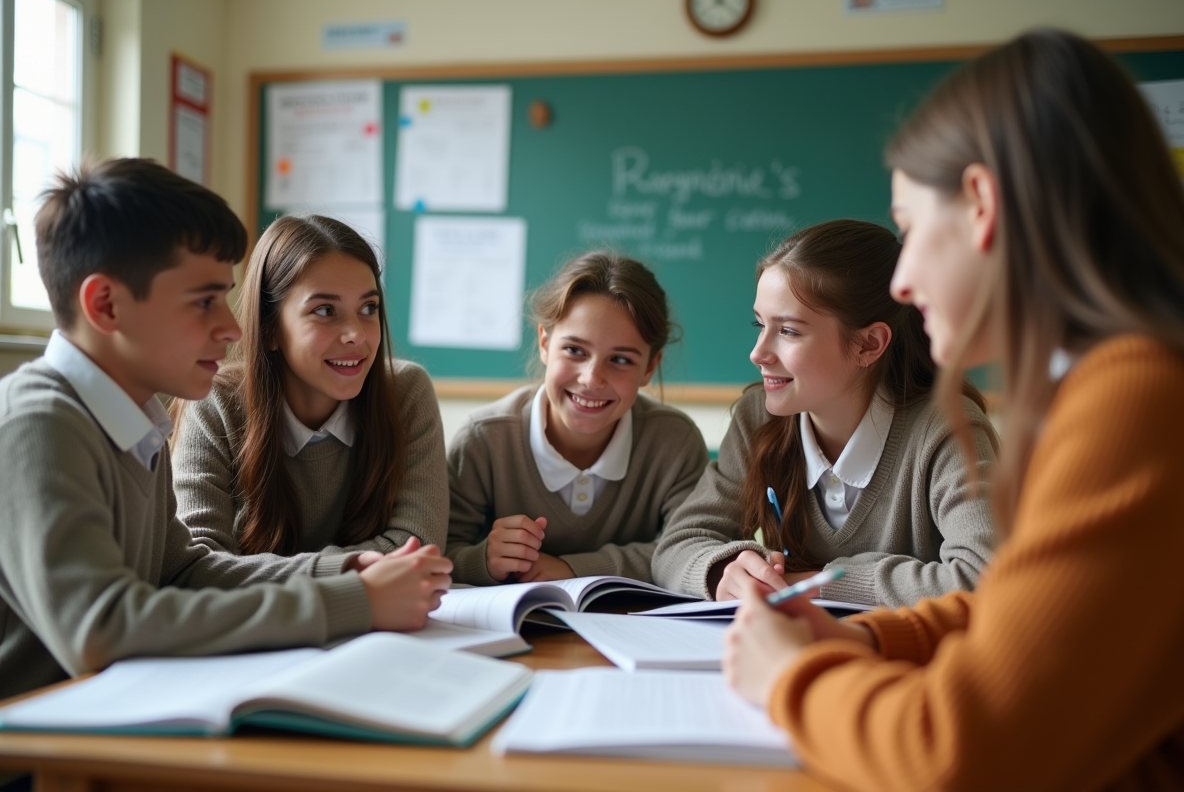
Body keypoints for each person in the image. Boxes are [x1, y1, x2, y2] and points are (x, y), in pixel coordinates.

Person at [723, 30, 1184, 791]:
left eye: (909, 230)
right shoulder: (1115, 383)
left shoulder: (1135, 401)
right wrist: (877, 642)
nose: (904, 281)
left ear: (981, 203)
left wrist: (790, 680)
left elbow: (955, 754)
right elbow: (1032, 617)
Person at [0, 159, 450, 701]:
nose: (233, 327)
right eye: (204, 301)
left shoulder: (133, 421)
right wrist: (351, 602)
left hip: (109, 719)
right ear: (106, 304)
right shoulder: (38, 422)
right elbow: (100, 628)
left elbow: (185, 569)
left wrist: (344, 569)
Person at [652, 219, 997, 607]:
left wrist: (820, 582)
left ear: (869, 344)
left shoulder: (946, 427)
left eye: (788, 331)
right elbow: (675, 546)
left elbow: (986, 578)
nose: (757, 353)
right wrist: (721, 572)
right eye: (759, 324)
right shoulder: (757, 419)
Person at [172, 215, 447, 574]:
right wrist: (338, 571)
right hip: (262, 627)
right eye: (324, 311)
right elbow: (200, 567)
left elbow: (417, 546)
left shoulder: (406, 391)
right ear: (270, 329)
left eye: (368, 308)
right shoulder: (215, 401)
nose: (356, 335)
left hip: (380, 623)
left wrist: (262, 573)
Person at [445, 251, 709, 585]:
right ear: (544, 342)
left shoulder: (675, 441)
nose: (591, 379)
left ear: (650, 368)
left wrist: (573, 569)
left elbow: (686, 551)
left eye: (621, 360)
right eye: (575, 351)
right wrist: (482, 559)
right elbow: (438, 554)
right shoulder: (483, 439)